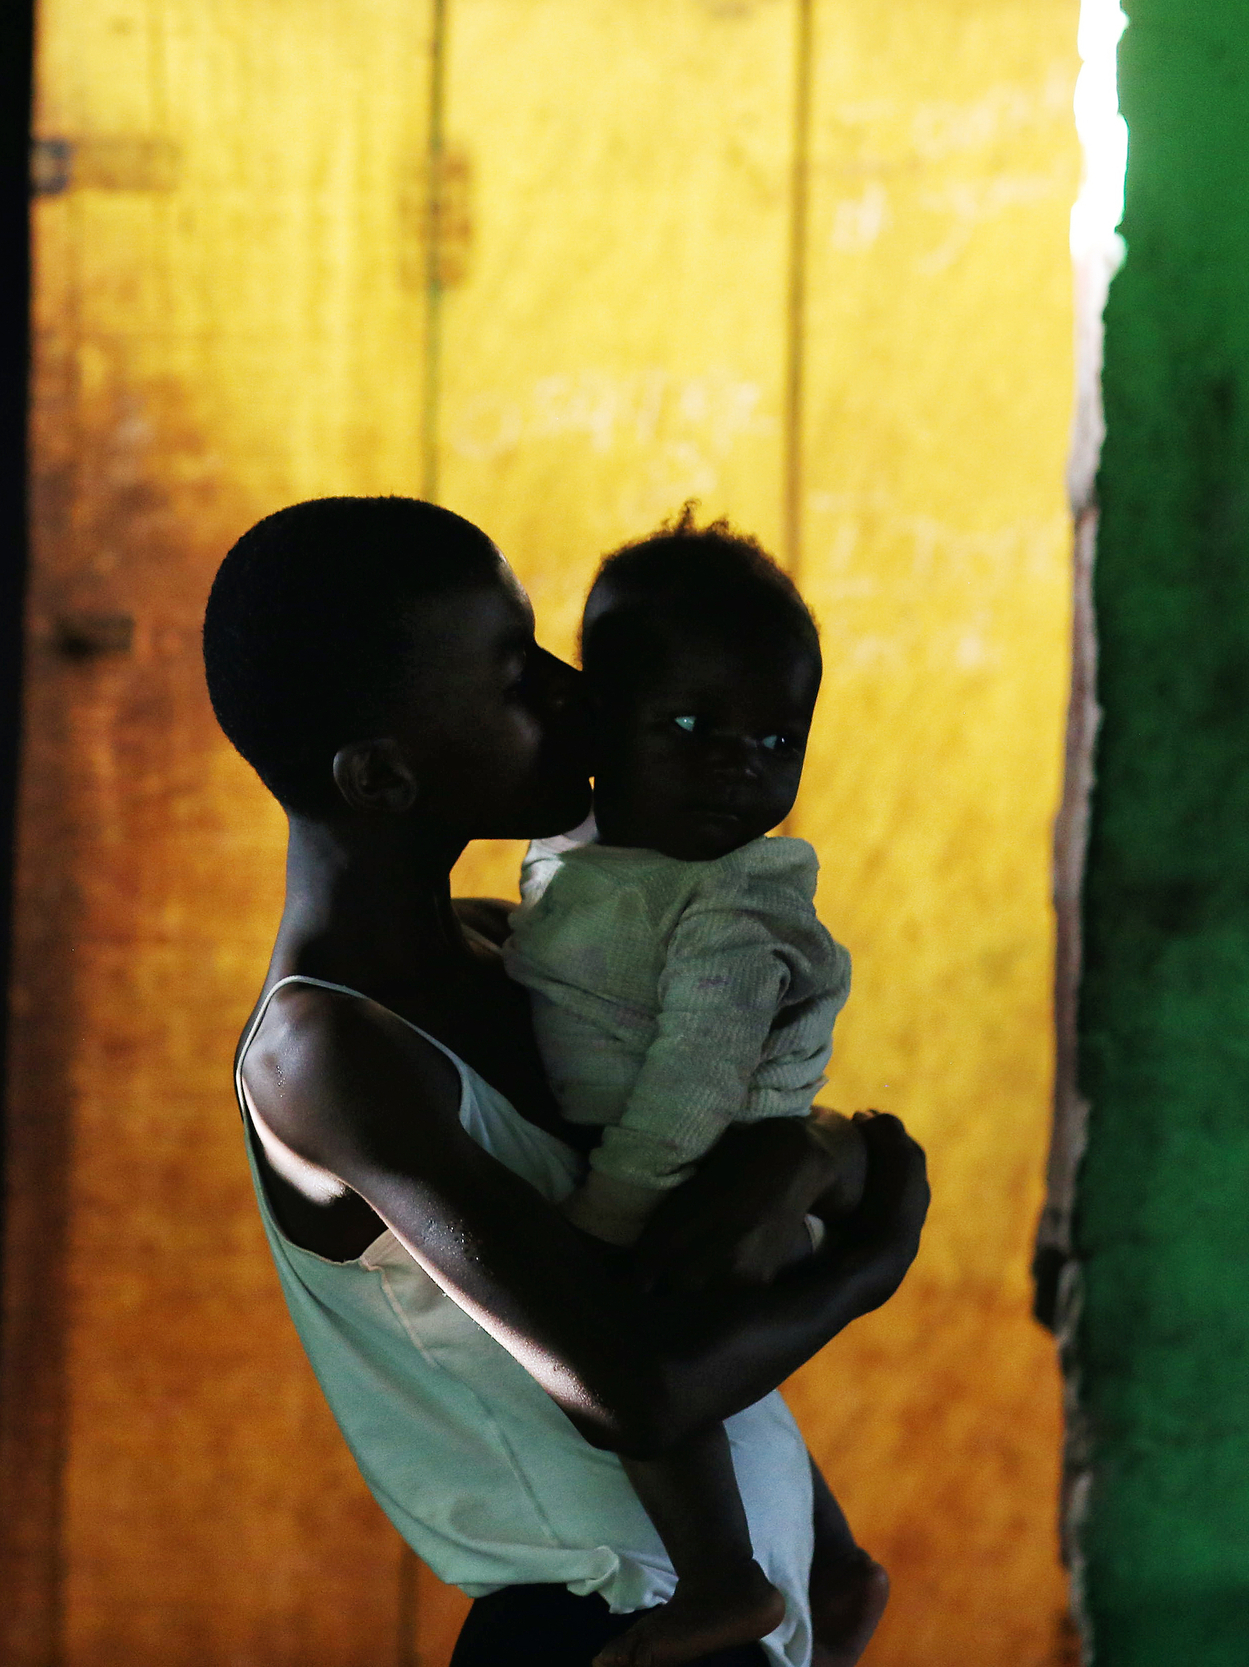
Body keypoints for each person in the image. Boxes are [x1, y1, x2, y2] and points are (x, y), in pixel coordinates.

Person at [201, 496, 925, 1667]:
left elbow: (699, 1199)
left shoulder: (523, 950)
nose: (571, 691)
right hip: (592, 1627)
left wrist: (815, 1155)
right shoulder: (323, 1058)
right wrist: (867, 1260)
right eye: (511, 676)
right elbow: (633, 1388)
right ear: (384, 776)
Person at [505, 512, 875, 1665]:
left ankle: (724, 1580)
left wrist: (610, 1217)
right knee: (721, 1398)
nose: (737, 762)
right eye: (688, 724)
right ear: (596, 726)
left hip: (710, 1177)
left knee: (644, 1346)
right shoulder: (597, 860)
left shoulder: (734, 895)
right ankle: (841, 1572)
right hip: (677, 1166)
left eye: (776, 738)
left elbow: (696, 1074)